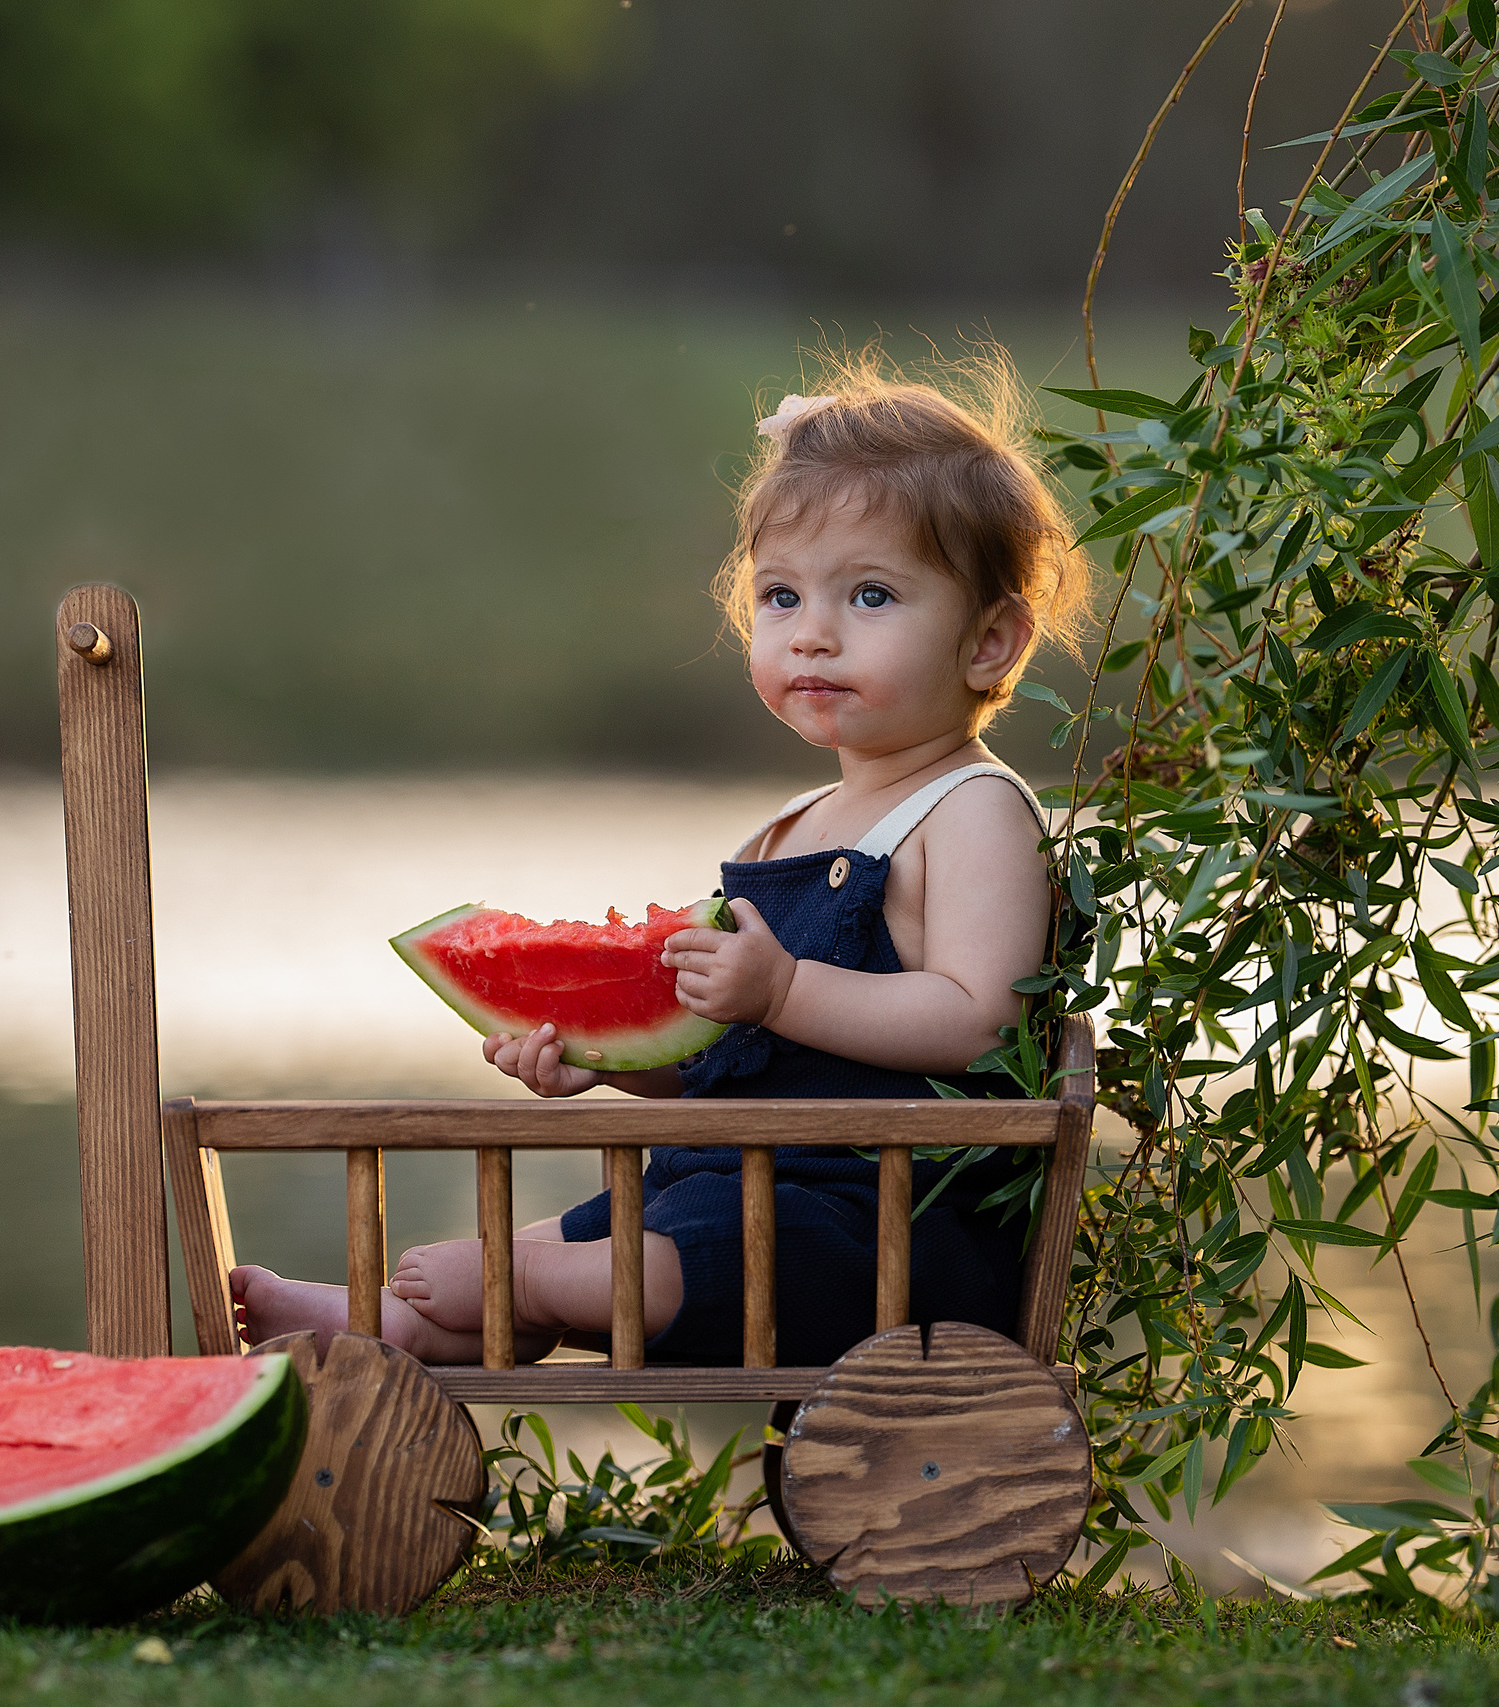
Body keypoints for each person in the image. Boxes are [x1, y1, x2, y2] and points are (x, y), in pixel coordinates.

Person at [230, 352, 1095, 1364]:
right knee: (605, 1222)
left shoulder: (976, 810)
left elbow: (977, 1017)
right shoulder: (779, 833)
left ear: (990, 642)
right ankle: (386, 1325)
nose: (812, 635)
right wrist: (607, 1068)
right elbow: (725, 1066)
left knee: (689, 1244)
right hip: (736, 1181)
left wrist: (781, 989)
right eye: (780, 597)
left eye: (868, 597)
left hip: (887, 1225)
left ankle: (532, 1284)